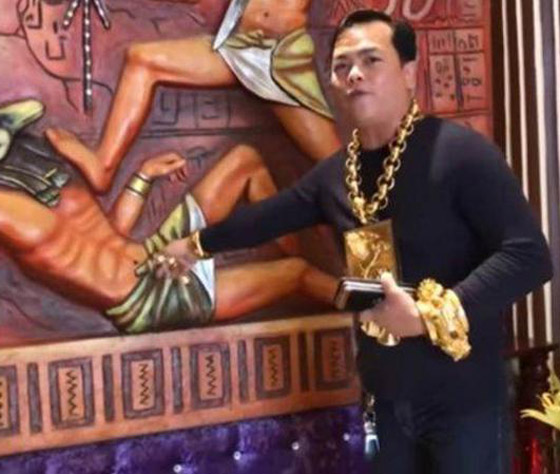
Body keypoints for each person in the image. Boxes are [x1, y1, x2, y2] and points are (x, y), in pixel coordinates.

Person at [159, 9, 553, 474]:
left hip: (464, 401)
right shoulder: (336, 175)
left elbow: (529, 255)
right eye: (342, 65)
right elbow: (269, 217)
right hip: (385, 398)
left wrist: (428, 316)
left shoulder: (459, 153)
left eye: (371, 60)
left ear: (409, 73)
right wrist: (195, 245)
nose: (354, 75)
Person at [0, 98, 336, 340]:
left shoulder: (53, 185)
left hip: (156, 252)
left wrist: (143, 176)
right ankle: (362, 309)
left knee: (244, 162)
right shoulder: (11, 217)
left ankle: (296, 259)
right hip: (150, 300)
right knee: (297, 274)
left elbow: (112, 232)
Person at [44, 0, 341, 193]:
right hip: (239, 47)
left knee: (341, 166)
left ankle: (364, 258)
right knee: (143, 60)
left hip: (283, 58)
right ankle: (104, 166)